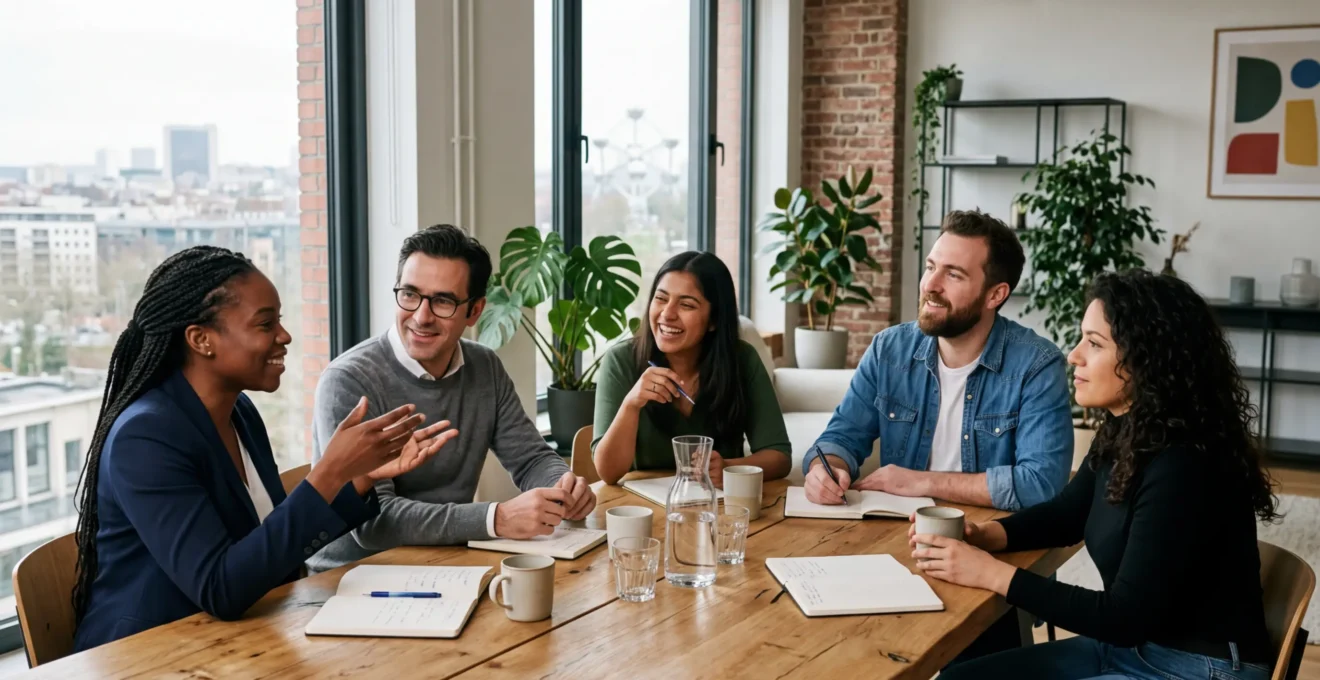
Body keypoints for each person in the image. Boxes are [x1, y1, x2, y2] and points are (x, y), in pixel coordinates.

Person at [72, 246, 456, 652]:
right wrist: (328, 472)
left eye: (280, 320)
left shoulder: (240, 412)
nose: (284, 336)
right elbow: (220, 588)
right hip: (147, 655)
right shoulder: (145, 437)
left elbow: (269, 551)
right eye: (265, 323)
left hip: (234, 642)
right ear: (201, 339)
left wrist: (357, 476)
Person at [915, 269, 1276, 680]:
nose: (1074, 355)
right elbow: (1068, 513)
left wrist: (989, 572)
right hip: (1135, 647)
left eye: (1095, 343)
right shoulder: (1129, 428)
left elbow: (1124, 616)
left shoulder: (1184, 464)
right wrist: (985, 536)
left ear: (1147, 359)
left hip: (1197, 667)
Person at [307, 225, 596, 572]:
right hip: (350, 579)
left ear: (475, 311)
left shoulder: (484, 366)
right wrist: (497, 518)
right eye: (410, 294)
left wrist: (563, 487)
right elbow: (373, 524)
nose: (421, 316)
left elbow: (531, 458)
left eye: (442, 301)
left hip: (448, 564)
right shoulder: (348, 381)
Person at [803, 210, 1072, 511]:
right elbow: (842, 437)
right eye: (930, 267)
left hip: (990, 531)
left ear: (995, 295)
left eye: (953, 274)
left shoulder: (1037, 365)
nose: (930, 285)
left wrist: (923, 482)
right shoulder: (889, 349)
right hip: (898, 528)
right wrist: (825, 469)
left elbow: (1041, 484)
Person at [593, 251, 791, 487]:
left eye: (686, 305)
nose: (667, 314)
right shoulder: (621, 360)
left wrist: (729, 469)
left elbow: (779, 457)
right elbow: (608, 473)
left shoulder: (741, 360)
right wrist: (631, 405)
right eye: (661, 298)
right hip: (639, 504)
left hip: (717, 504)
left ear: (714, 320)